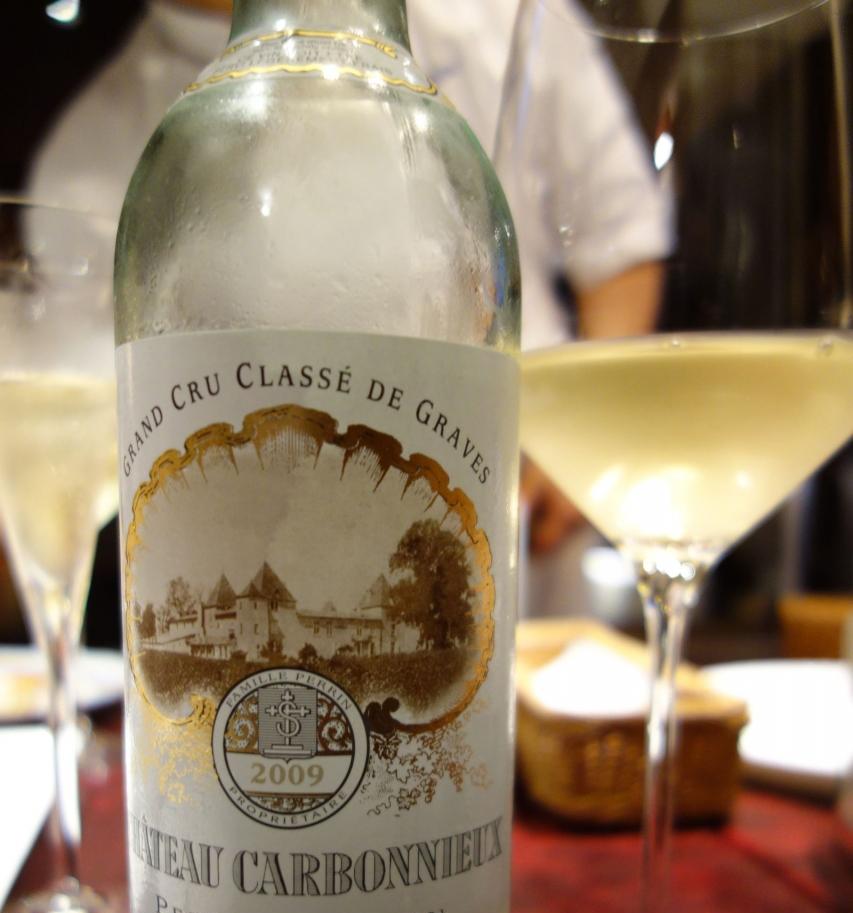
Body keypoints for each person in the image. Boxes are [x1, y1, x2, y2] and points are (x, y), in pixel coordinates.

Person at [27, 0, 670, 614]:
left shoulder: (499, 17)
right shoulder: (92, 146)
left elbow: (621, 238)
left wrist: (582, 441)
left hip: (529, 510)